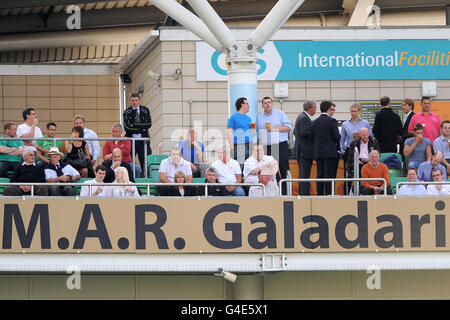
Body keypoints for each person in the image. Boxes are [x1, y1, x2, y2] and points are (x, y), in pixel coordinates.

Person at [257, 96, 292, 194]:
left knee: (283, 168)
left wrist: (274, 128)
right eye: (265, 103)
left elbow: (288, 127)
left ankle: (285, 193)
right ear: (262, 105)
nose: (267, 104)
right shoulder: (259, 118)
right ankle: (274, 192)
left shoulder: (280, 114)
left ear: (272, 104)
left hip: (280, 145)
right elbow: (258, 133)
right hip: (266, 146)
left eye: (269, 102)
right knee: (270, 170)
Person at [311, 100, 340, 195]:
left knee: (320, 175)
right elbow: (337, 137)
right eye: (332, 109)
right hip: (330, 153)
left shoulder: (314, 122)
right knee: (329, 176)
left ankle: (319, 194)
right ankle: (329, 194)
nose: (333, 112)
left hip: (318, 153)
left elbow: (311, 138)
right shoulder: (332, 121)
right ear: (328, 109)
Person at [123, 93, 152, 174]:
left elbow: (148, 124)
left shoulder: (145, 110)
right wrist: (141, 128)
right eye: (132, 100)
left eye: (136, 100)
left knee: (145, 160)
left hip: (143, 140)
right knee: (129, 160)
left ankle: (146, 176)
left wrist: (134, 125)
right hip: (131, 141)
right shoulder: (127, 112)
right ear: (130, 101)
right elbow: (127, 127)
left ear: (139, 100)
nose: (134, 102)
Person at [293, 100, 316, 195]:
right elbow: (304, 133)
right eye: (315, 108)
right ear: (310, 108)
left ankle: (303, 194)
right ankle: (304, 195)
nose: (315, 110)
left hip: (301, 150)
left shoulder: (301, 117)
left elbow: (295, 132)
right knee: (304, 175)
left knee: (304, 175)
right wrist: (315, 134)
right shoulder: (304, 118)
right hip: (304, 152)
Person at [227, 97, 255, 165]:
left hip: (249, 146)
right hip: (238, 146)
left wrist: (253, 129)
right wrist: (232, 147)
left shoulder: (249, 118)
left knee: (248, 167)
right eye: (247, 103)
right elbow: (228, 132)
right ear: (242, 105)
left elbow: (252, 134)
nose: (249, 105)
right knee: (240, 167)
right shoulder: (233, 117)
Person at [400, 98, 416, 163]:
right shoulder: (405, 116)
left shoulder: (414, 116)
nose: (403, 107)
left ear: (411, 106)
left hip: (410, 144)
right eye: (402, 105)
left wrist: (402, 136)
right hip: (403, 143)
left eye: (405, 105)